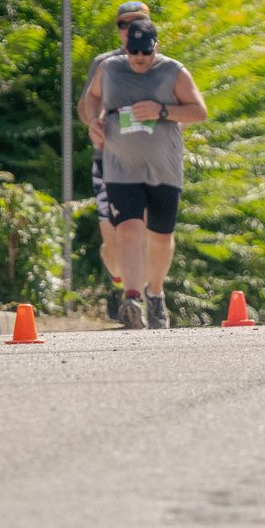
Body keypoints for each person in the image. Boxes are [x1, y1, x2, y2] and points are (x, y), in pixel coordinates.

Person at [87, 18, 210, 329]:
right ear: (125, 47)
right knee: (127, 229)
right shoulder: (110, 68)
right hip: (120, 167)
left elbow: (199, 111)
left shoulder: (173, 72)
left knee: (160, 236)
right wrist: (93, 120)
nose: (140, 58)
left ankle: (155, 293)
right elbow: (92, 97)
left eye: (146, 52)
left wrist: (162, 111)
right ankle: (132, 297)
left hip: (163, 168)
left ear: (156, 47)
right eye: (134, 52)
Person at [78, 0, 151, 320]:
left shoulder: (162, 64)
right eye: (124, 24)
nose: (130, 29)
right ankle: (121, 282)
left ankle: (139, 298)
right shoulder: (104, 63)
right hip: (109, 159)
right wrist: (93, 122)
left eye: (138, 22)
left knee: (143, 230)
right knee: (112, 239)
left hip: (148, 160)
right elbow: (86, 105)